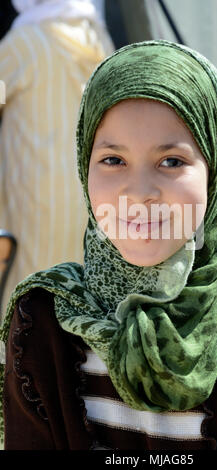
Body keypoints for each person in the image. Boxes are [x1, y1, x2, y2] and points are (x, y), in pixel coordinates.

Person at [1, 40, 217, 450]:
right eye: (113, 160)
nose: (140, 193)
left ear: (216, 174)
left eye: (171, 161)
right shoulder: (44, 321)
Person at [0, 0, 114, 317]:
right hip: (93, 197)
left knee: (29, 302)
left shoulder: (23, 44)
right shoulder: (96, 38)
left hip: (37, 200)